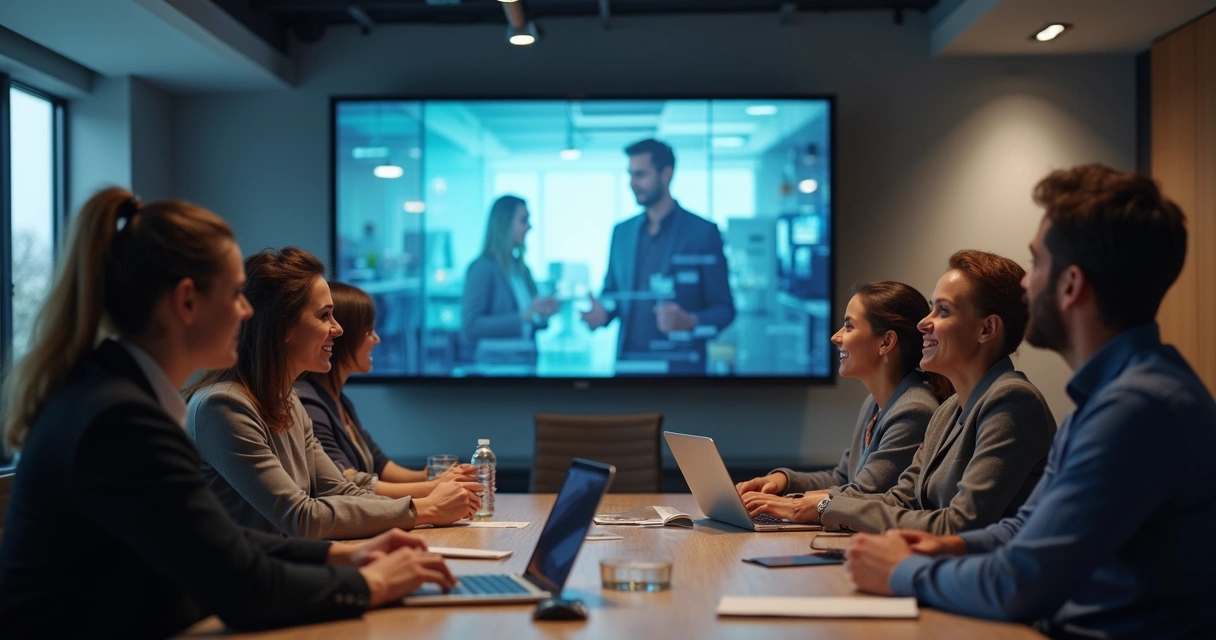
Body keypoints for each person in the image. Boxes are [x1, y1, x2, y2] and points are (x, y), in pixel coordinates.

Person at [0, 188, 456, 637]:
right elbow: (240, 583)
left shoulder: (116, 398)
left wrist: (339, 558)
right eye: (236, 293)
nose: (246, 311)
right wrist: (370, 582)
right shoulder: (121, 420)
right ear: (187, 301)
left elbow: (214, 539)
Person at [845, 165, 1216, 639]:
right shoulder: (1115, 396)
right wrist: (948, 548)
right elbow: (1025, 526)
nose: (1025, 285)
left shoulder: (1138, 409)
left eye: (1037, 263)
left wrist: (901, 572)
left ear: (1070, 285)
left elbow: (1020, 583)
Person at [186, 248, 480, 539]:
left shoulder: (287, 401)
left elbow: (340, 490)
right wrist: (424, 509)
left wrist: (423, 507)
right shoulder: (223, 406)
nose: (337, 329)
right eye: (325, 316)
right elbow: (301, 517)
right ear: (282, 327)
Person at [754, 251, 1057, 533]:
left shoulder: (1013, 401)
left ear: (987, 329)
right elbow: (901, 499)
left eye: (943, 311)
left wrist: (821, 507)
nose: (924, 322)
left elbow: (959, 523)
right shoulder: (948, 410)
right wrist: (816, 504)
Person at [735, 281, 950, 520]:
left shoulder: (914, 410)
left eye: (849, 326)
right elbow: (842, 479)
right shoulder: (873, 403)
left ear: (886, 342)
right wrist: (781, 481)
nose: (836, 337)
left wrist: (788, 504)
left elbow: (862, 494)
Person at [296, 281, 478, 498]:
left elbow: (379, 465)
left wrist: (432, 476)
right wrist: (433, 487)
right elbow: (346, 483)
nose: (377, 339)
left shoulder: (338, 400)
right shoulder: (310, 403)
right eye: (368, 331)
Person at [581, 139, 736, 374]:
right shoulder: (622, 233)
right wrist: (604, 311)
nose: (632, 183)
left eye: (640, 174)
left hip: (682, 370)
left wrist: (691, 321)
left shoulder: (703, 232)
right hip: (629, 367)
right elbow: (612, 291)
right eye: (630, 175)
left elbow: (725, 309)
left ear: (667, 174)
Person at [462, 195, 559, 359]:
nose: (530, 226)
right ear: (505, 225)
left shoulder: (522, 269)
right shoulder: (482, 268)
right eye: (523, 220)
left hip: (525, 362)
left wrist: (541, 312)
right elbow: (472, 326)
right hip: (496, 369)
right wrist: (523, 316)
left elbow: (532, 322)